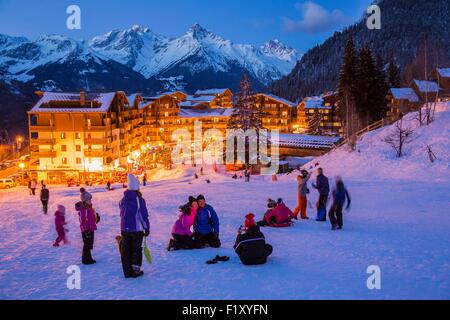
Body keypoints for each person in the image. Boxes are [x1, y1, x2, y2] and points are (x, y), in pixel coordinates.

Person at [119, 174, 150, 278]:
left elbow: (121, 213)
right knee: (136, 250)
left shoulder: (123, 199)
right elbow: (143, 215)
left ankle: (127, 272)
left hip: (124, 229)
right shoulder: (139, 200)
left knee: (126, 250)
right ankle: (135, 271)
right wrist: (146, 228)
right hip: (136, 230)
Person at [75, 198, 97, 265]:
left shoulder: (89, 208)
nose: (90, 200)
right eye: (89, 200)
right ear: (85, 201)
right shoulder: (84, 209)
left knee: (88, 244)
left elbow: (91, 218)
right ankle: (85, 260)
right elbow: (83, 220)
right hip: (87, 230)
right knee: (87, 245)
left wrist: (96, 218)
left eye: (90, 199)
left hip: (90, 228)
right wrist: (86, 230)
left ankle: (88, 258)